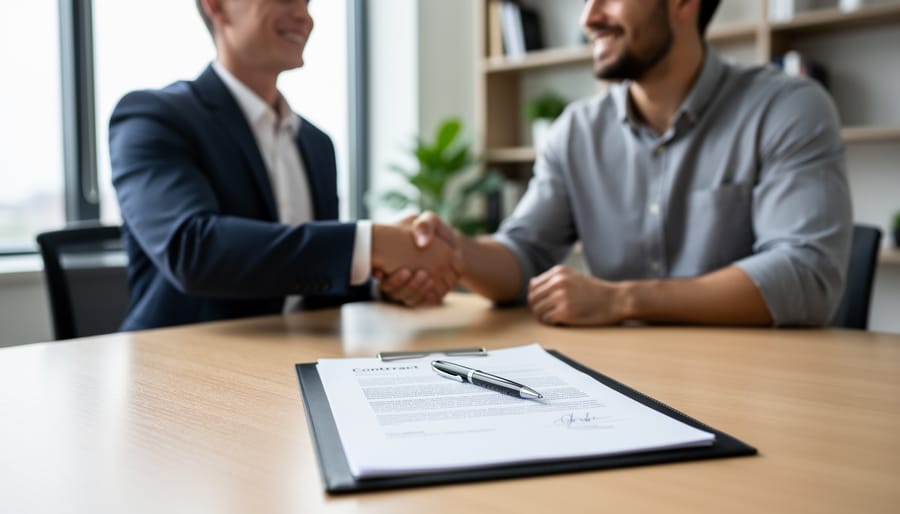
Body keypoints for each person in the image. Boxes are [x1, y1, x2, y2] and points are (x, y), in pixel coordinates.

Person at [390, 0, 852, 327]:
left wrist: (623, 300)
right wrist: (455, 249)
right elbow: (525, 254)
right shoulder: (576, 131)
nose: (588, 17)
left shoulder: (788, 108)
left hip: (759, 391)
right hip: (619, 388)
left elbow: (805, 274)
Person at [109, 0, 458, 330]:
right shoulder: (153, 117)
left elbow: (311, 274)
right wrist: (369, 244)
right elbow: (193, 249)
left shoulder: (316, 144)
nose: (305, 16)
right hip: (178, 368)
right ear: (216, 5)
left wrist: (384, 280)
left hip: (293, 359)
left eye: (307, 2)